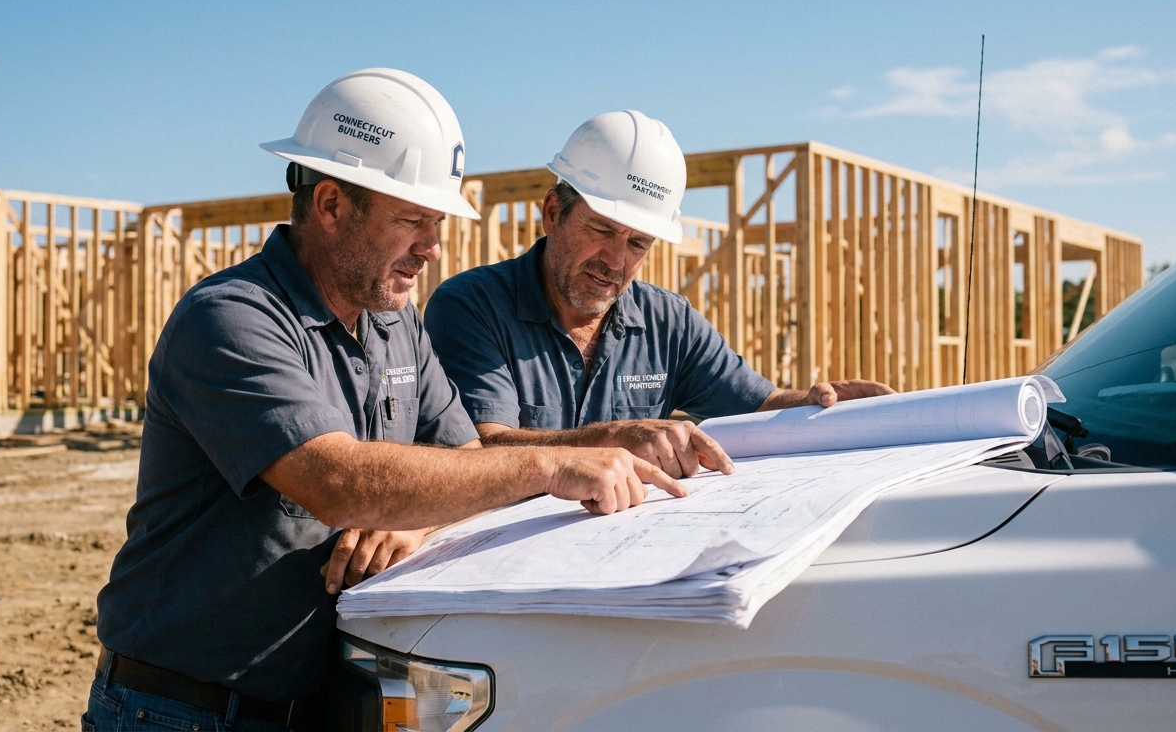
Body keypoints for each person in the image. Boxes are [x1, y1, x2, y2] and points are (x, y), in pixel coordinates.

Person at [87, 72, 684, 732]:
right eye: (413, 220)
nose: (433, 247)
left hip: (312, 698)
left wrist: (415, 519)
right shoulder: (232, 319)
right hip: (180, 708)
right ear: (333, 205)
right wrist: (548, 467)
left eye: (436, 222)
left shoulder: (395, 326)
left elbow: (461, 457)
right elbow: (336, 482)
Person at [424, 110, 894, 479]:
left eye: (637, 244)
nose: (615, 260)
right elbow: (479, 453)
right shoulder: (472, 306)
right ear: (552, 212)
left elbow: (757, 406)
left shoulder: (668, 321)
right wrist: (614, 439)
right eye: (601, 230)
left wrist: (816, 404)